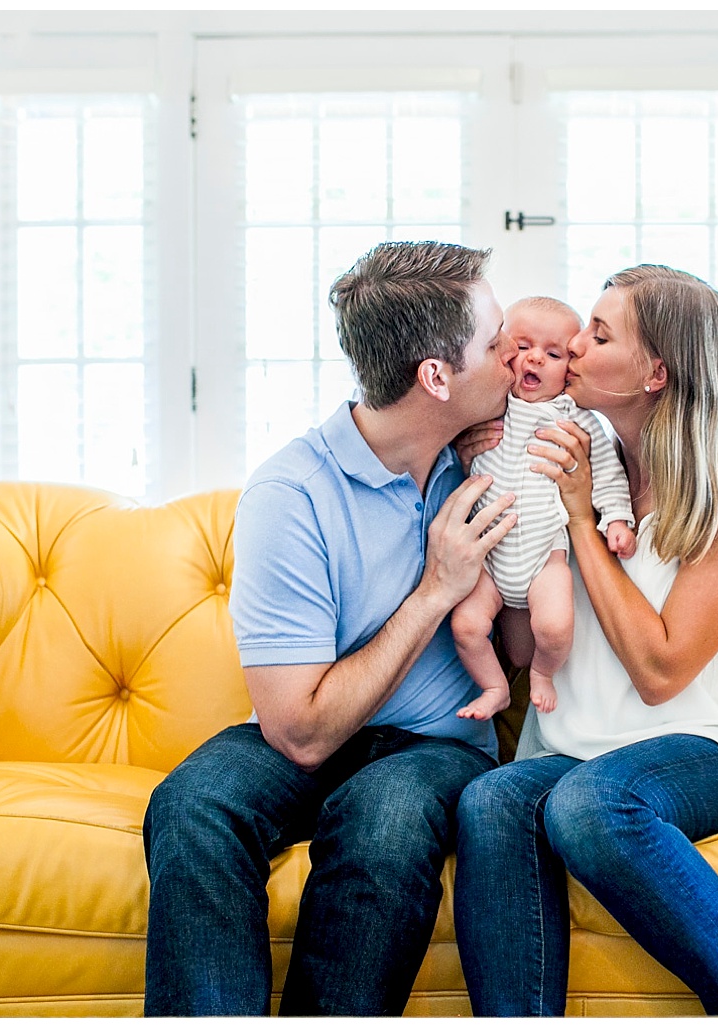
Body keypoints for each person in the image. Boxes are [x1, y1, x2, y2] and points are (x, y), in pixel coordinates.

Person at [141, 241, 520, 1016]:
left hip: (434, 748)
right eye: (493, 341)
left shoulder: (497, 457)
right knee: (191, 805)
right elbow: (300, 734)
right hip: (312, 730)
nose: (513, 356)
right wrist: (435, 589)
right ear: (435, 377)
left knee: (383, 821)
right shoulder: (291, 494)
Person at [452, 265, 718, 1016]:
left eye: (598, 335)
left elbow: (662, 669)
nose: (575, 348)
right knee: (492, 800)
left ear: (654, 371)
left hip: (713, 744)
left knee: (592, 806)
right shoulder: (573, 457)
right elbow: (531, 650)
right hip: (577, 746)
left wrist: (579, 522)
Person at [451, 296, 635, 722]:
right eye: (522, 346)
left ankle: (542, 674)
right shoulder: (487, 405)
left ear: (568, 369)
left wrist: (617, 518)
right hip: (487, 558)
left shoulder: (576, 419)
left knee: (553, 628)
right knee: (466, 626)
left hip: (544, 557)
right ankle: (495, 687)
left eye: (553, 354)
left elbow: (607, 472)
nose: (535, 358)